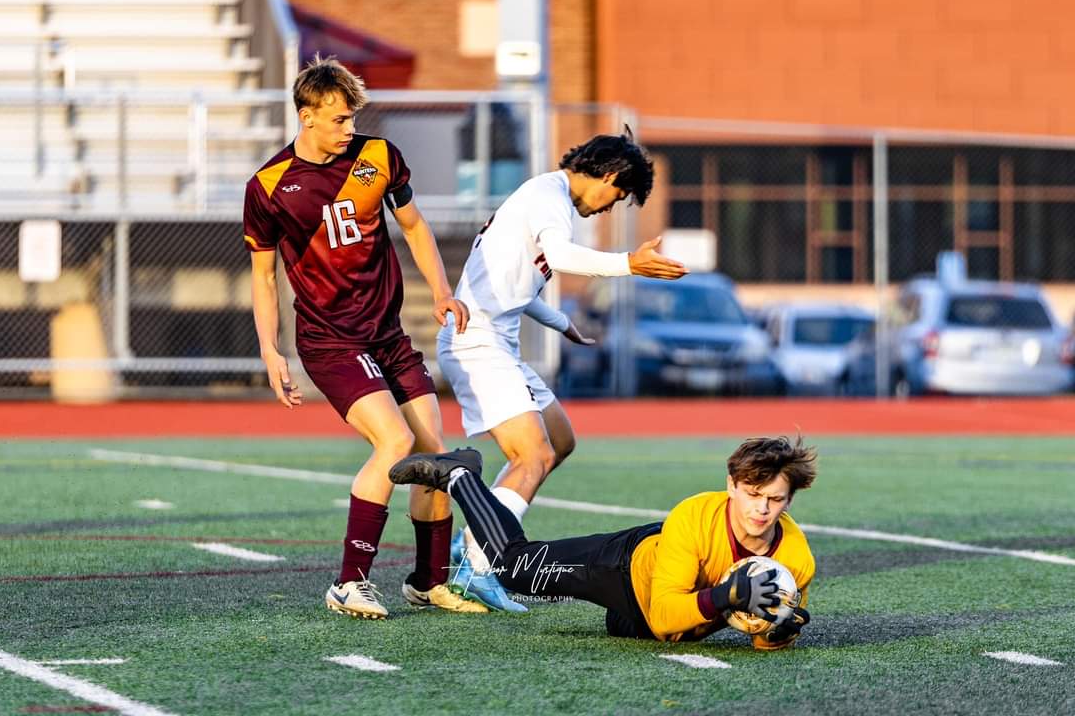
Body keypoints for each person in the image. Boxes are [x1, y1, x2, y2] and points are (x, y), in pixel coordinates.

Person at [243, 54, 484, 619]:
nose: (350, 129)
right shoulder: (271, 186)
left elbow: (416, 226)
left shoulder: (379, 157)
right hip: (330, 342)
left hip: (388, 334)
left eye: (352, 117)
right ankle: (348, 583)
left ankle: (428, 582)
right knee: (395, 444)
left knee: (434, 453)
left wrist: (443, 292)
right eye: (338, 120)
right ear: (306, 116)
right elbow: (262, 275)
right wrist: (269, 349)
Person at [437, 129, 689, 610]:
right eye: (617, 196)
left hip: (497, 342)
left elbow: (516, 284)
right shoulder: (547, 194)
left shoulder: (545, 199)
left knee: (560, 441)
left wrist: (562, 322)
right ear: (610, 175)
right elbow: (561, 258)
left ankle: (472, 539)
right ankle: (475, 565)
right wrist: (629, 264)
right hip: (478, 342)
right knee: (532, 457)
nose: (609, 207)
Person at [389, 436, 816, 648]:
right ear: (731, 486)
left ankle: (621, 618)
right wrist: (727, 595)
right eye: (752, 494)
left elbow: (763, 640)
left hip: (654, 617)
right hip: (624, 569)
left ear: (790, 499)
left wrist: (779, 632)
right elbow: (667, 615)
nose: (761, 509)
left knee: (624, 628)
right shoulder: (694, 515)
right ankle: (461, 475)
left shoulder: (796, 559)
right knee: (515, 568)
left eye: (775, 499)